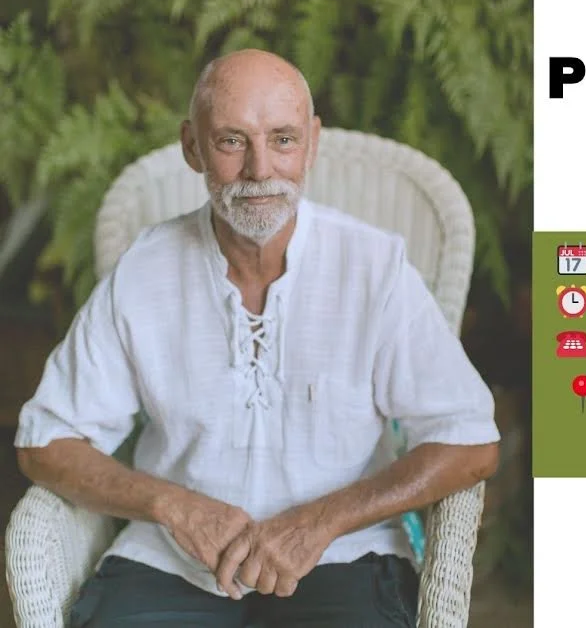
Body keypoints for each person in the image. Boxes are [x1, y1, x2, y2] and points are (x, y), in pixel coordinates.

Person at [14, 49, 500, 627]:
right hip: (169, 561)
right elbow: (45, 441)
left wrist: (318, 522)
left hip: (343, 554)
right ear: (192, 146)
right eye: (231, 141)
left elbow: (469, 441)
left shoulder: (374, 267)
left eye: (283, 140)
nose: (260, 170)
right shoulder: (143, 273)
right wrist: (171, 505)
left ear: (312, 143)